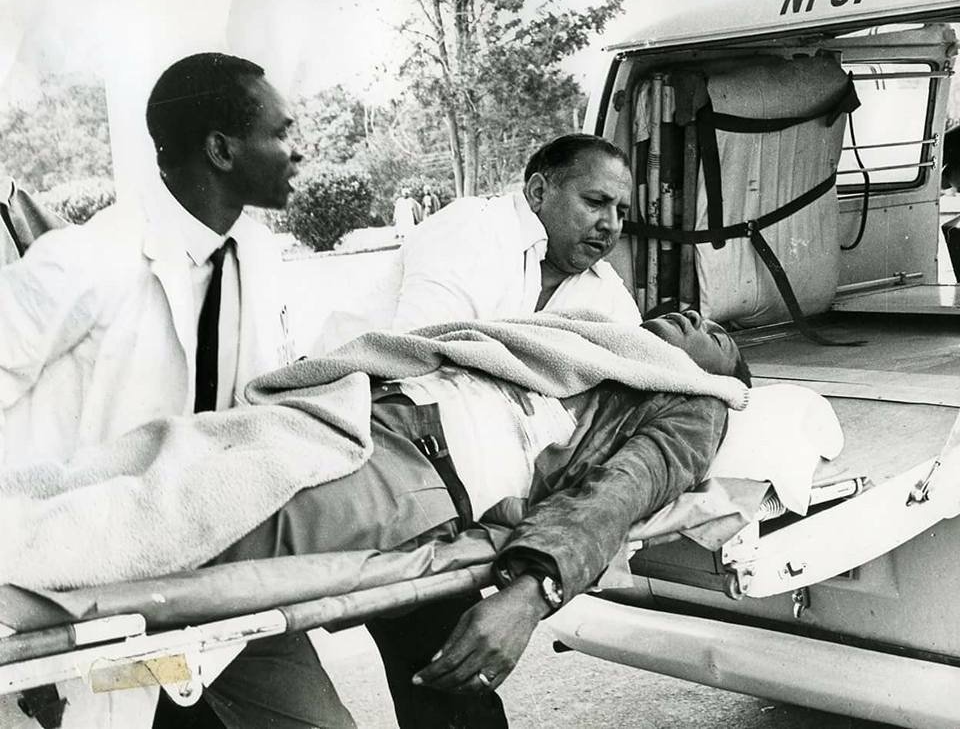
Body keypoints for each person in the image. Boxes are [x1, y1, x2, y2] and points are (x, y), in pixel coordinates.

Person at [1, 311, 748, 728]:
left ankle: (19, 587)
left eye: (718, 336)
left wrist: (533, 591)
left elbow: (619, 493)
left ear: (721, 380)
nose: (699, 317)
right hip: (349, 414)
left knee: (164, 529)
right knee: (139, 468)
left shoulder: (694, 405)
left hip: (410, 474)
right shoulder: (582, 343)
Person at [0, 52, 329, 728]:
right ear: (221, 149)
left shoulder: (259, 259)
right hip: (92, 581)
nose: (297, 154)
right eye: (282, 133)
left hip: (224, 567)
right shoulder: (84, 262)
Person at [392, 134, 642, 331]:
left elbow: (643, 363)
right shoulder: (473, 228)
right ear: (538, 193)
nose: (611, 224)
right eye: (595, 202)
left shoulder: (604, 286)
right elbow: (419, 353)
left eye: (621, 212)